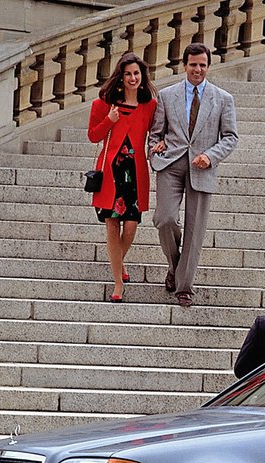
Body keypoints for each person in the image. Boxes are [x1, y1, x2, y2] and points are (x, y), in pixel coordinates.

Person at [147, 42, 239, 308]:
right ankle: (176, 267)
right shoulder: (167, 95)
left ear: (208, 67)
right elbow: (156, 132)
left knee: (195, 230)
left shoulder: (223, 99)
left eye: (202, 65)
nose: (197, 69)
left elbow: (231, 137)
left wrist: (210, 156)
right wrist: (155, 152)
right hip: (171, 164)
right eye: (193, 64)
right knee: (164, 219)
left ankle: (184, 286)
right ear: (184, 65)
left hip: (202, 167)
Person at [87, 52, 157, 303]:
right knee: (112, 226)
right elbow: (93, 136)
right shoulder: (104, 103)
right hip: (111, 174)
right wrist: (109, 119)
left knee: (130, 227)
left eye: (136, 73)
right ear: (120, 76)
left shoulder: (150, 105)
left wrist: (158, 146)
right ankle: (118, 282)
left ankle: (119, 264)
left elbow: (157, 133)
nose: (132, 78)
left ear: (142, 76)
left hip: (135, 174)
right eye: (128, 73)